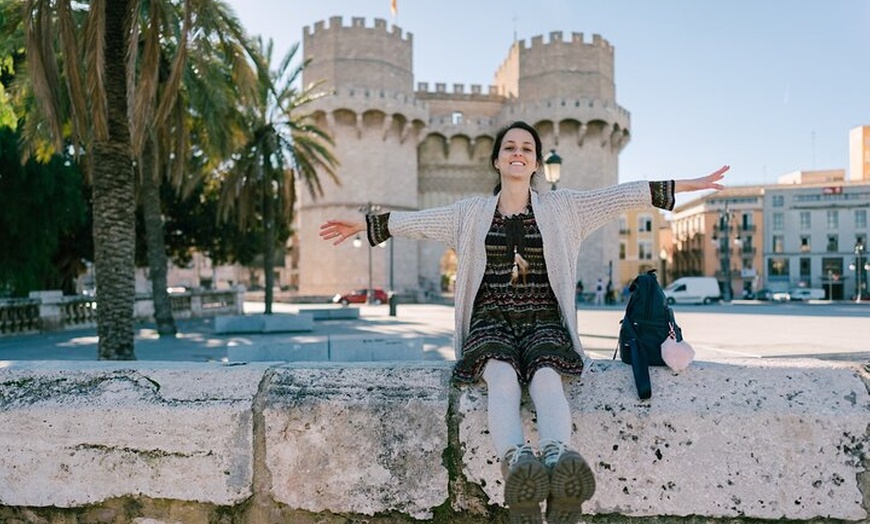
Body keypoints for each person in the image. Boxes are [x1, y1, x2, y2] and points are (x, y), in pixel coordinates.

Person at [320, 121, 728, 524]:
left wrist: (687, 185)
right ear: (496, 160)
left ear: (535, 163)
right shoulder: (469, 213)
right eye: (510, 147)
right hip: (490, 320)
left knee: (548, 378)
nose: (519, 153)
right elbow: (417, 222)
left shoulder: (564, 207)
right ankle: (519, 467)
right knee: (501, 379)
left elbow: (621, 195)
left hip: (543, 319)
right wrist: (368, 224)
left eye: (527, 149)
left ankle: (558, 462)